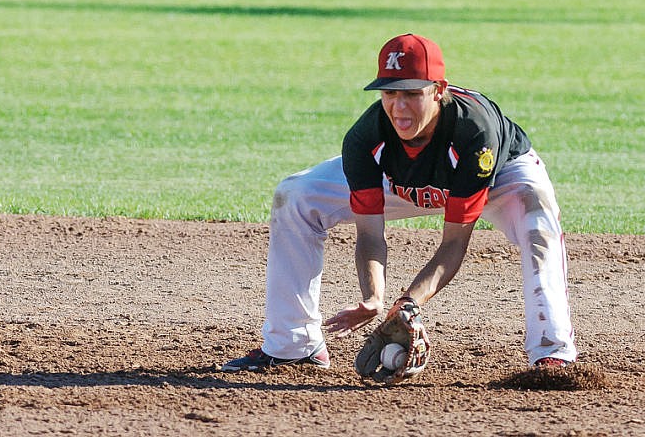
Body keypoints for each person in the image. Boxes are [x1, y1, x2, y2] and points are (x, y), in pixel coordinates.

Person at [221, 33, 576, 372]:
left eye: (411, 93)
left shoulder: (474, 134)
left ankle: (552, 353)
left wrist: (408, 303)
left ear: (438, 90)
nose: (398, 106)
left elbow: (453, 244)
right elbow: (371, 236)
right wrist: (375, 298)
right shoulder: (365, 139)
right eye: (389, 93)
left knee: (536, 211)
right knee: (296, 194)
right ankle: (292, 345)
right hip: (400, 178)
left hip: (497, 177)